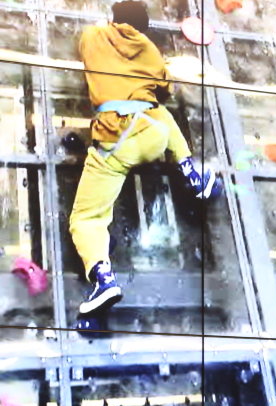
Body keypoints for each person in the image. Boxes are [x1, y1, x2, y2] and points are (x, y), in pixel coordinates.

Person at [71, 0, 222, 315]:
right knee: (157, 110)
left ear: (114, 18)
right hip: (153, 136)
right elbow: (165, 90)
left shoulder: (93, 35)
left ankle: (103, 279)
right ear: (143, 27)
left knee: (86, 218)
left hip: (115, 141)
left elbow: (83, 48)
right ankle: (192, 173)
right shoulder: (150, 50)